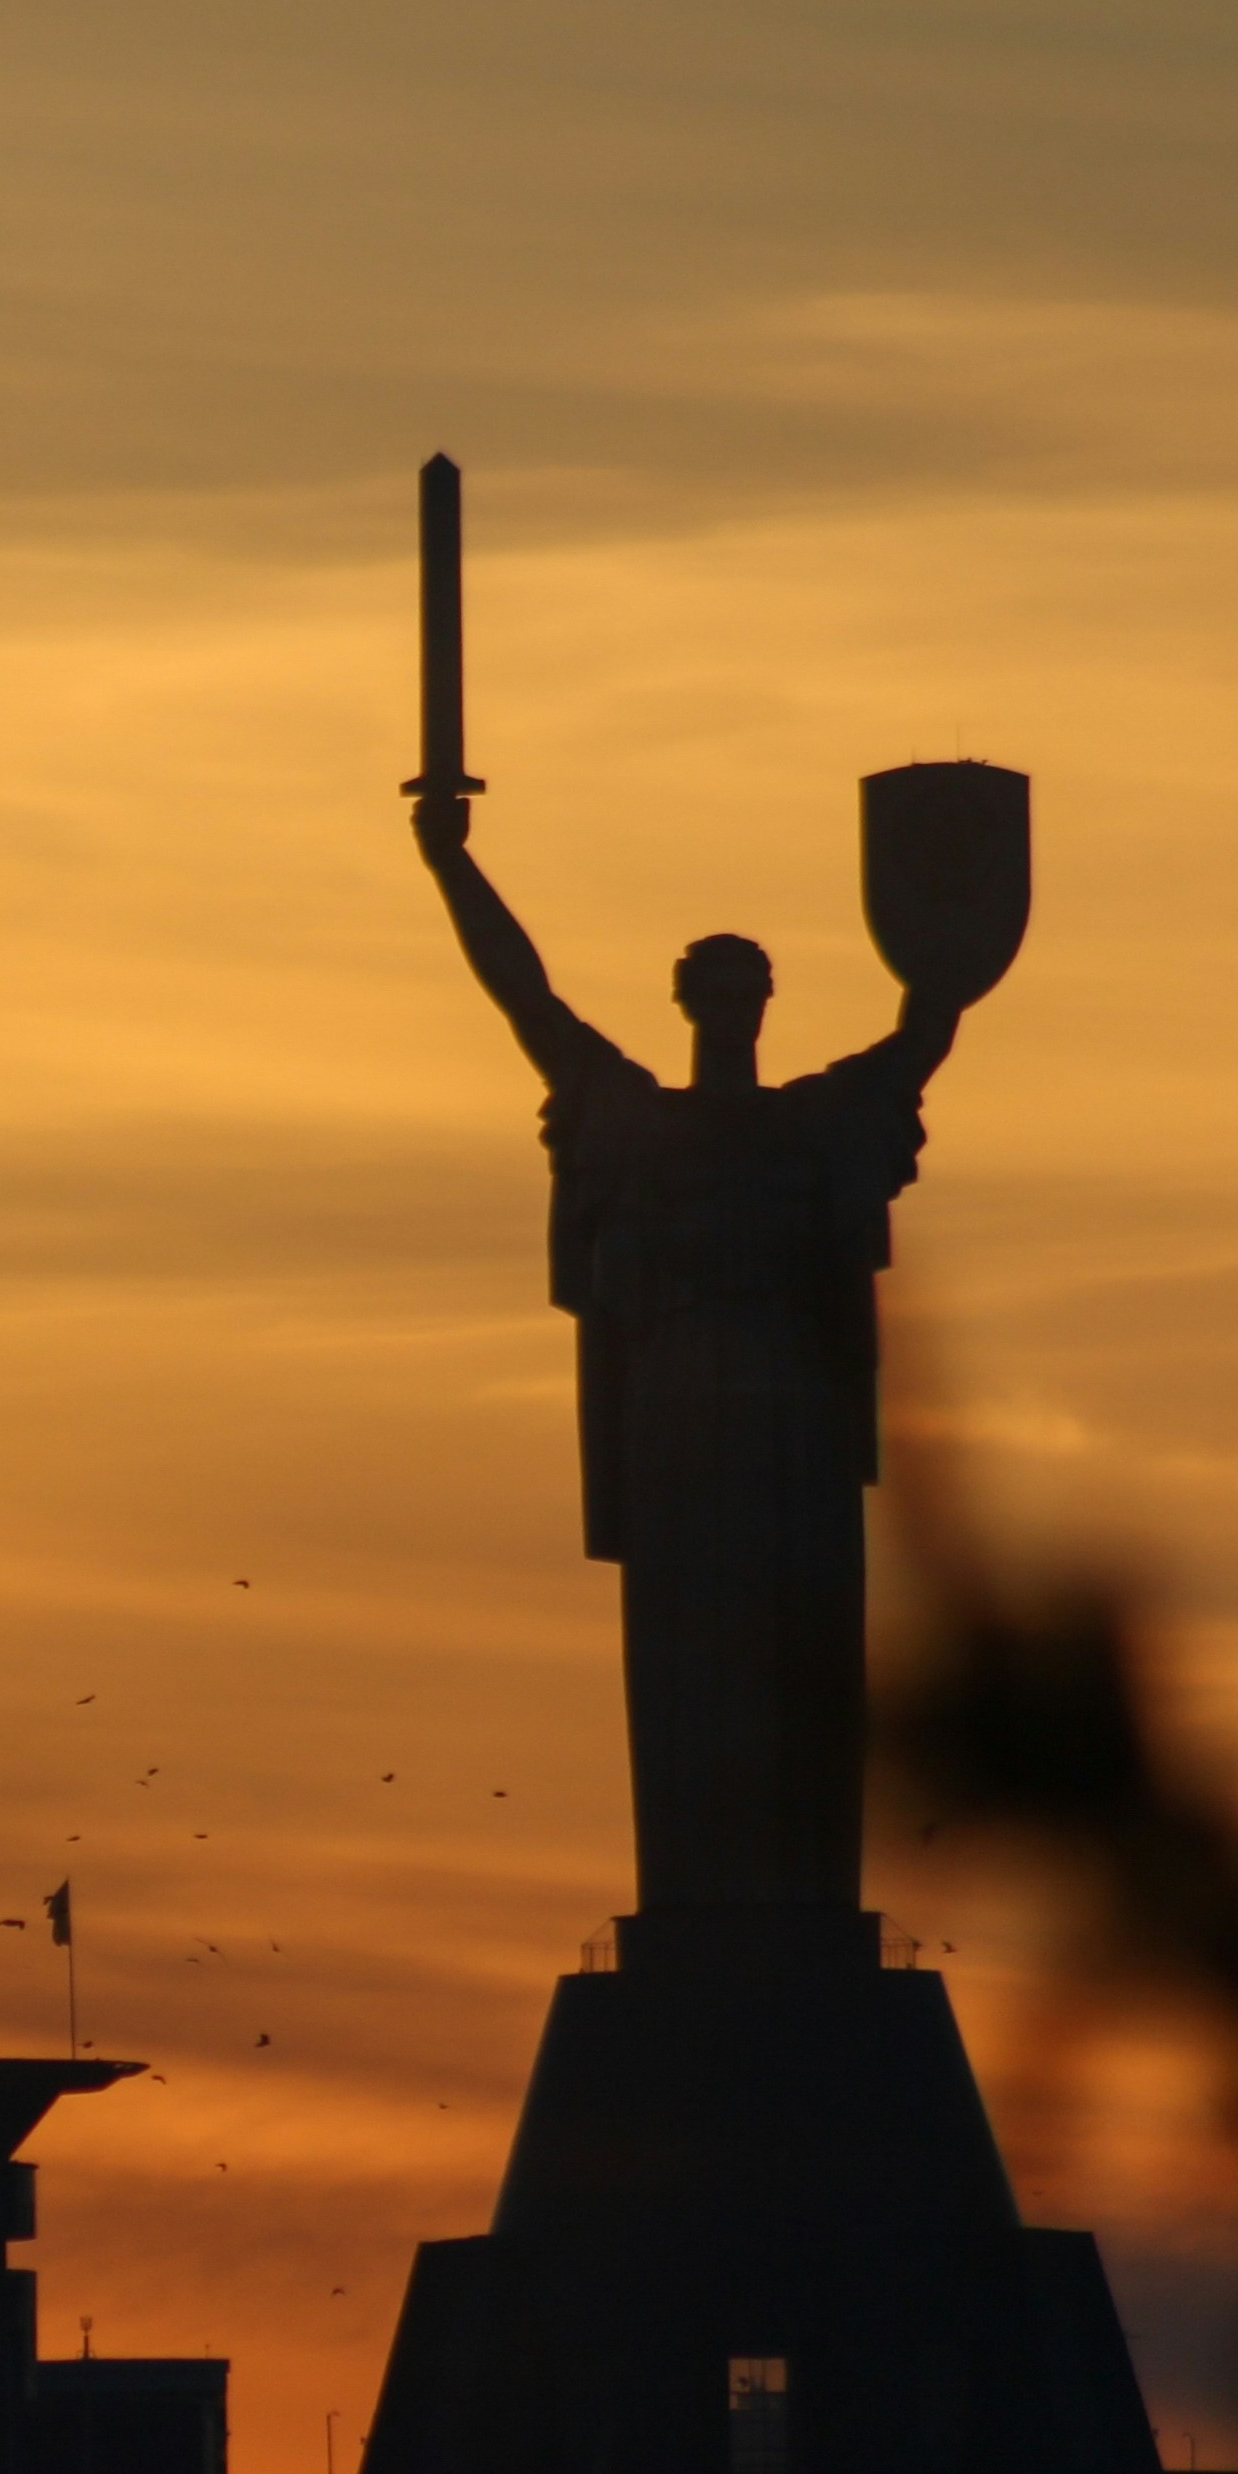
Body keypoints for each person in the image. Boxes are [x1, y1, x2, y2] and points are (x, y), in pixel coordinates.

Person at [412, 781, 969, 1910]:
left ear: (764, 1003)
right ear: (685, 1001)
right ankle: (692, 1894)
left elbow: (922, 1038)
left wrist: (952, 940)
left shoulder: (809, 1125)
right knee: (685, 1642)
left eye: (744, 991)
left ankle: (803, 1896)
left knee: (803, 1632)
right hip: (678, 1391)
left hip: (792, 1401)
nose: (729, 1010)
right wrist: (452, 864)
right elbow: (527, 999)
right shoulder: (639, 1124)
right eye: (713, 991)